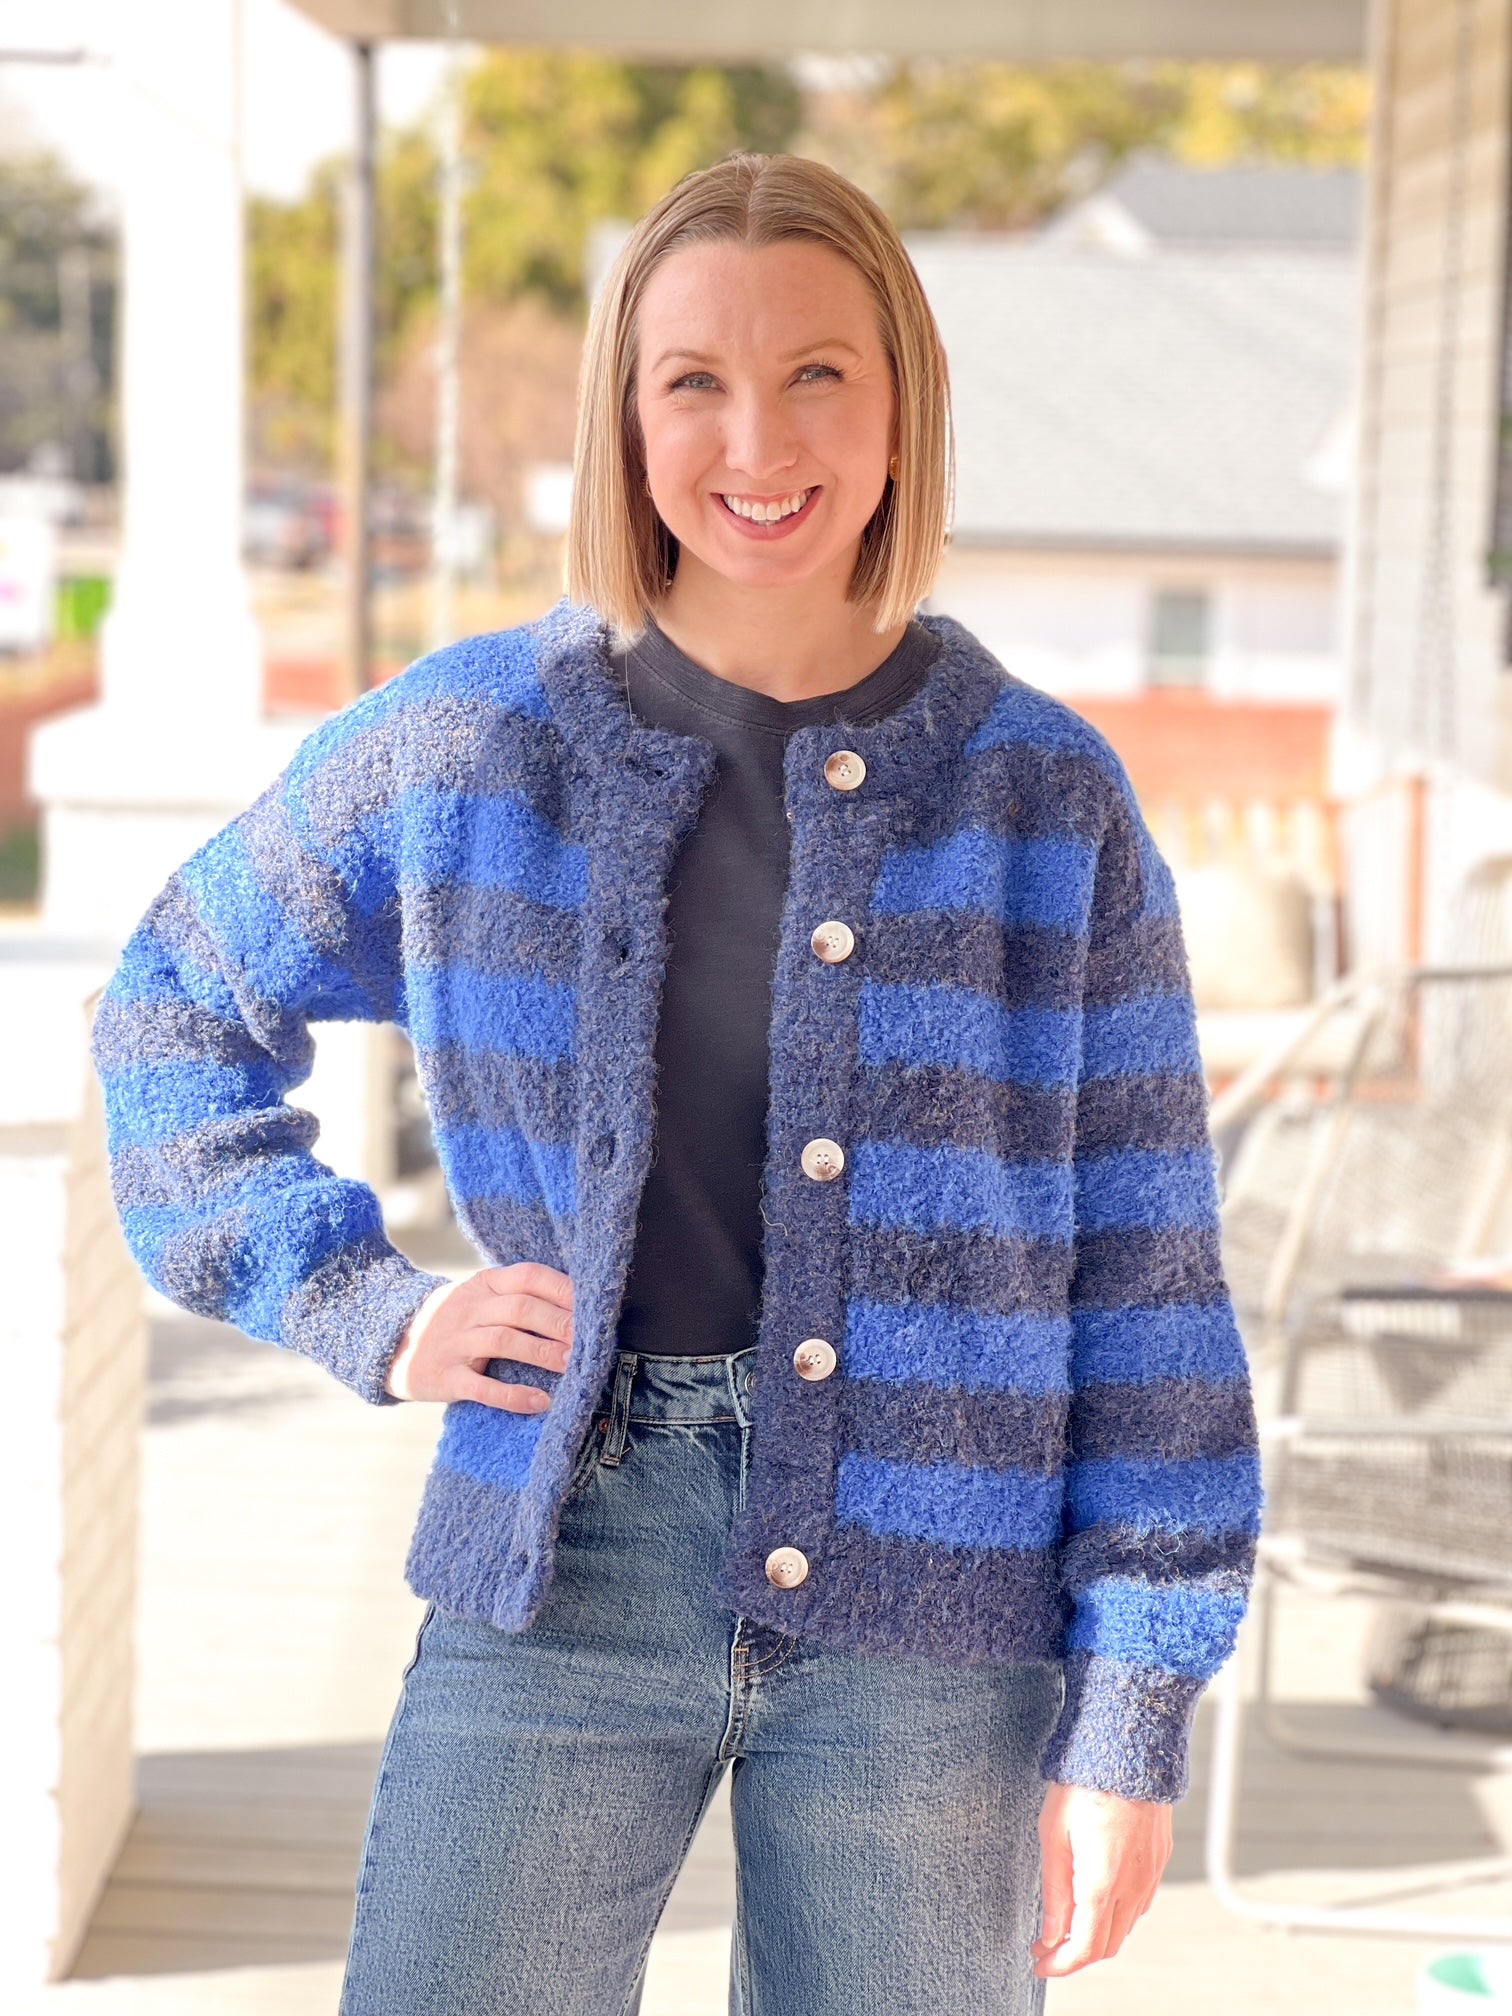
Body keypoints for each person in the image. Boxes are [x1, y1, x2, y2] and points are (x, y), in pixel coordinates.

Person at [91, 151, 1262, 2016]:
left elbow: (1148, 1281)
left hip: (939, 1610)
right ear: (625, 422)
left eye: (819, 372)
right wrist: (366, 1306)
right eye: (692, 380)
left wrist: (1130, 1709)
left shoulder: (1045, 802)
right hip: (567, 1556)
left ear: (901, 409)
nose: (757, 436)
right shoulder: (474, 744)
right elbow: (172, 1007)